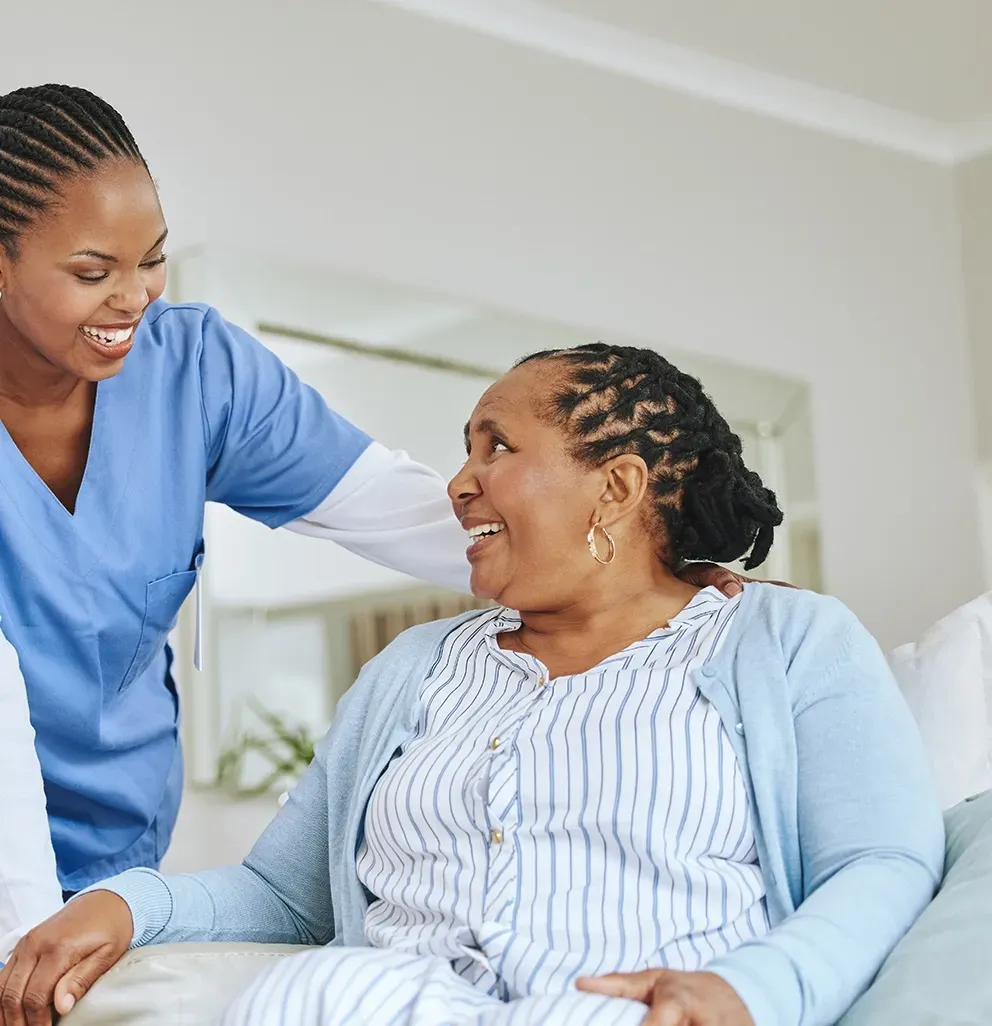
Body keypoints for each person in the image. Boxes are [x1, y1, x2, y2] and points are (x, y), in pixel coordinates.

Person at [0, 83, 739, 963]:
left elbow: (399, 506)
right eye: (93, 273)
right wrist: (19, 943)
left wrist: (641, 566)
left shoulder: (193, 370)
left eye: (152, 260)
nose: (134, 299)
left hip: (114, 855)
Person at [0, 344, 944, 1026]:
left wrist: (754, 991)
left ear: (615, 488)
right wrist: (132, 905)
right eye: (466, 449)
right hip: (382, 1003)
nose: (459, 482)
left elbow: (881, 863)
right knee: (313, 991)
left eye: (498, 447)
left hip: (627, 1006)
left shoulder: (784, 640)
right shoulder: (416, 666)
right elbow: (284, 897)